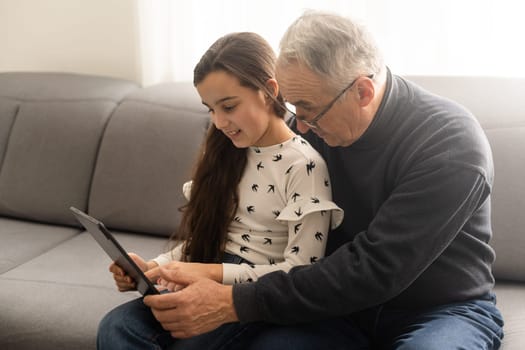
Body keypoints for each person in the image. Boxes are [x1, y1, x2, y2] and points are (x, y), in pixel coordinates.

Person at [143, 10, 505, 350]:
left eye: (309, 110)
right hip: (342, 309)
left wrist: (232, 302)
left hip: (440, 310)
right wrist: (183, 269)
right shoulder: (313, 133)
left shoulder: (450, 144)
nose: (299, 127)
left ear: (362, 92)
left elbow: (375, 270)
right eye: (294, 108)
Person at [96, 31, 343, 350]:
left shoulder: (303, 166)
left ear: (268, 91)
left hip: (252, 294)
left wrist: (208, 274)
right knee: (116, 327)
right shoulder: (226, 150)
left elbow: (300, 271)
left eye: (228, 106)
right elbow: (208, 238)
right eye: (210, 109)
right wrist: (152, 268)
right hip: (205, 273)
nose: (219, 121)